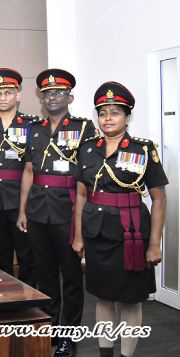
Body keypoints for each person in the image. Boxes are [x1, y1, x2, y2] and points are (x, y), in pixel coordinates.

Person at [72, 82, 167, 357]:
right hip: (97, 233)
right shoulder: (87, 149)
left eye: (115, 113)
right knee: (103, 297)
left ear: (128, 117)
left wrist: (155, 245)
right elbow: (81, 195)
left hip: (131, 235)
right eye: (103, 113)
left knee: (130, 299)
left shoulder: (143, 149)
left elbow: (159, 199)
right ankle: (106, 353)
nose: (108, 118)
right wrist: (78, 235)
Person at [18, 69, 97, 357]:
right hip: (38, 211)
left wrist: (83, 220)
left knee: (73, 278)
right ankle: (52, 330)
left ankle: (69, 337)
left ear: (69, 98)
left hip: (68, 210)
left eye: (59, 93)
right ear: (42, 99)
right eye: (47, 93)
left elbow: (88, 176)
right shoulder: (35, 129)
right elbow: (29, 171)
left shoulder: (84, 127)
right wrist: (22, 210)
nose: (52, 97)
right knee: (46, 276)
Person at [0, 69, 37, 287]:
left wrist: (26, 206)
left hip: (22, 201)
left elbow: (34, 167)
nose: (3, 98)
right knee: (1, 257)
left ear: (17, 95)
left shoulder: (31, 124)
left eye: (8, 93)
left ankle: (29, 299)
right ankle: (5, 298)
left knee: (27, 256)